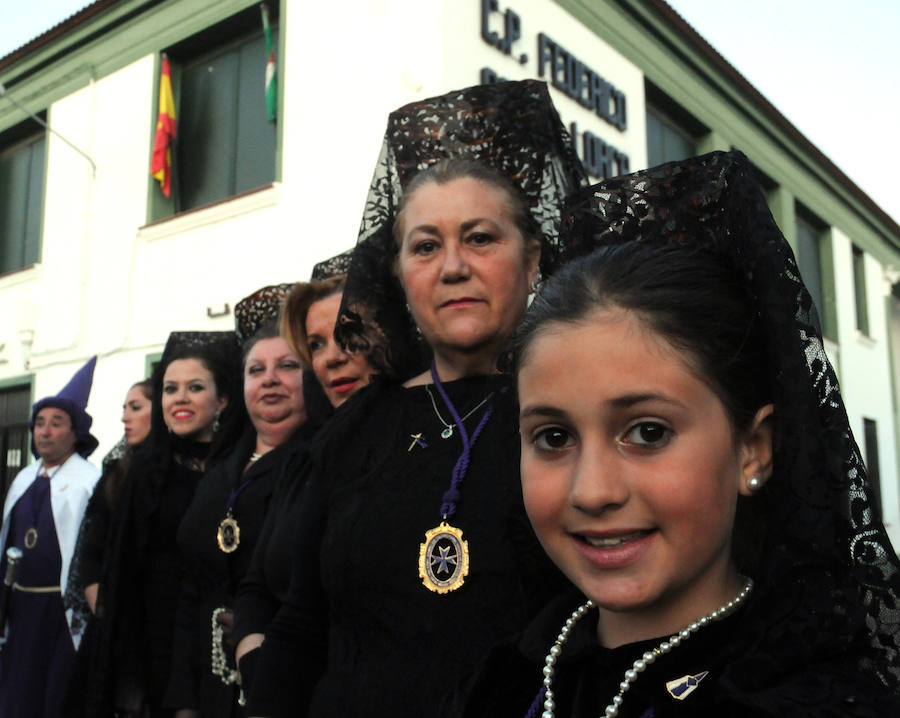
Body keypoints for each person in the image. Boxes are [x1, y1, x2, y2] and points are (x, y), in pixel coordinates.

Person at [460, 151, 900, 717]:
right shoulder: (507, 677)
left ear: (753, 449)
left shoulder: (816, 697)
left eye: (647, 432)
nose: (592, 491)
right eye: (552, 438)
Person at [247, 79, 587, 717]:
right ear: (400, 277)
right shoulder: (353, 432)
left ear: (533, 257)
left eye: (481, 238)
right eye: (426, 246)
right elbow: (301, 624)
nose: (453, 266)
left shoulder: (581, 417)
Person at [165, 285, 313, 717]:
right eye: (255, 370)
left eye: (287, 366)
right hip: (207, 683)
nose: (269, 379)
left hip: (280, 681)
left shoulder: (316, 469)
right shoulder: (221, 471)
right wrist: (183, 701)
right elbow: (190, 586)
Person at [78, 332, 242, 718]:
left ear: (222, 400)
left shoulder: (239, 468)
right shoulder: (145, 473)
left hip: (216, 638)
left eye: (195, 387)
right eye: (170, 389)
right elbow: (120, 566)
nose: (180, 398)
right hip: (152, 638)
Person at [232, 270, 375, 708]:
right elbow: (259, 585)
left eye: (349, 336)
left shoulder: (419, 451)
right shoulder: (305, 460)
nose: (332, 357)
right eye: (316, 344)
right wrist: (256, 661)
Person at [0, 357, 102, 718]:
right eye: (39, 424)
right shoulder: (23, 479)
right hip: (21, 610)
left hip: (60, 615)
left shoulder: (90, 483)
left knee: (55, 696)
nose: (44, 432)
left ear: (75, 433)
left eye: (56, 424)